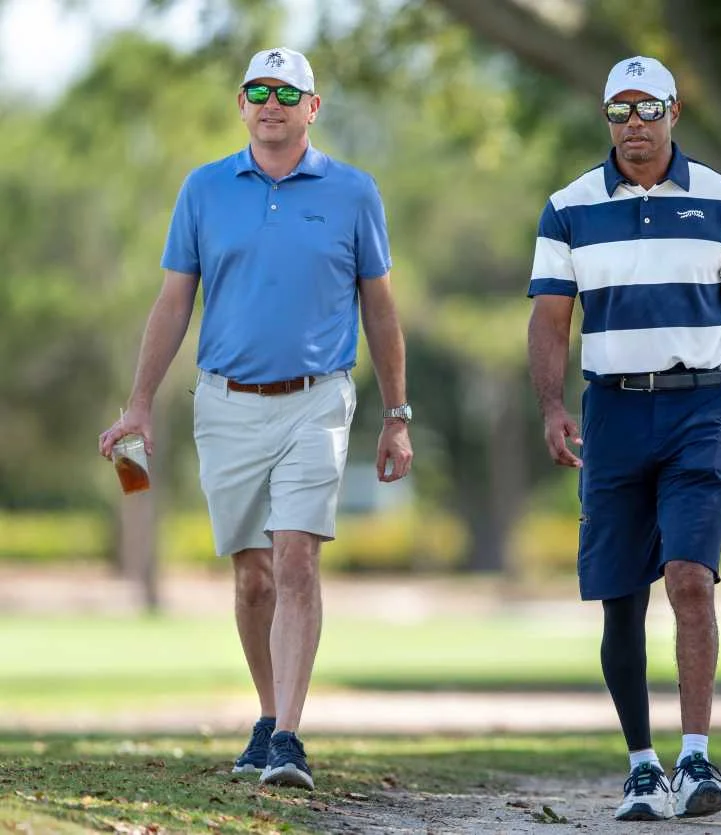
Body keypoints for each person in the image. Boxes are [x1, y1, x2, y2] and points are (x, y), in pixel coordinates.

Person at [98, 47, 413, 791]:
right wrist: (139, 402)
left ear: (313, 107)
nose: (272, 103)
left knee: (297, 557)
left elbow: (379, 307)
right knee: (253, 579)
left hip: (318, 398)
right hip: (225, 403)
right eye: (258, 91)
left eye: (288, 93)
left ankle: (291, 739)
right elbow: (174, 302)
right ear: (241, 104)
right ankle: (269, 718)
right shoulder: (203, 189)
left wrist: (397, 414)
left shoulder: (353, 192)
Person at [526, 55, 721, 822]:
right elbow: (550, 319)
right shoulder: (568, 208)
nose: (633, 123)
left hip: (700, 408)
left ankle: (696, 757)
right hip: (611, 412)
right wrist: (551, 406)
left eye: (647, 108)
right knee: (620, 597)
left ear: (675, 111)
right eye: (619, 111)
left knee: (690, 577)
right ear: (606, 118)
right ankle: (642, 767)